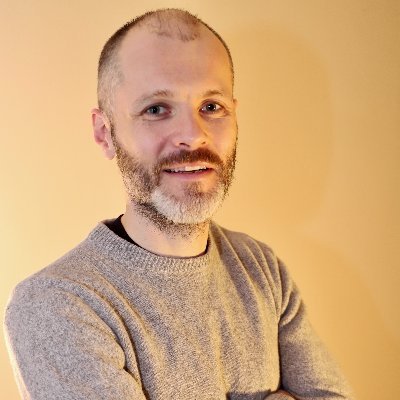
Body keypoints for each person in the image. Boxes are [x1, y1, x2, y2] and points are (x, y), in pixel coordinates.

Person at [4, 8, 353, 400]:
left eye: (211, 107)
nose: (193, 135)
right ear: (105, 133)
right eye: (156, 109)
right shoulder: (58, 303)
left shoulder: (261, 268)